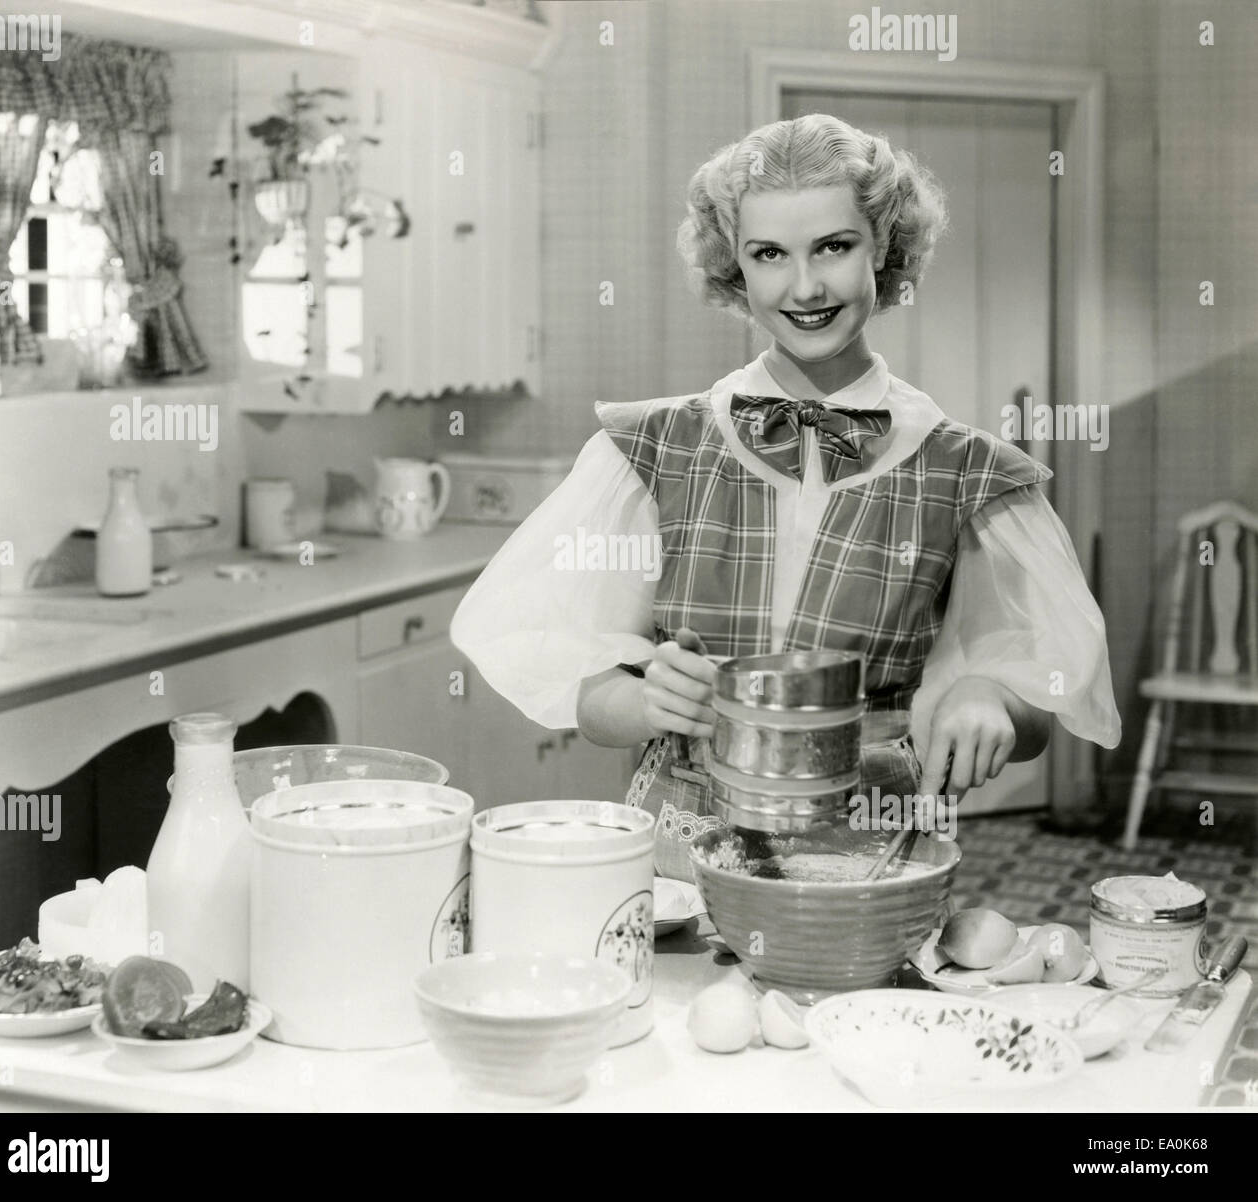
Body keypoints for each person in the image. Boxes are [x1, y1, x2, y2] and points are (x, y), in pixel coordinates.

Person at [451, 113, 1120, 879]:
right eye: (769, 255)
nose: (803, 287)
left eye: (834, 247)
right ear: (733, 267)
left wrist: (987, 697)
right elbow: (589, 691)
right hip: (674, 862)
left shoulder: (968, 471)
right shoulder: (653, 449)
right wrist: (643, 704)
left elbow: (1042, 706)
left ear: (886, 249)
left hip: (870, 861)